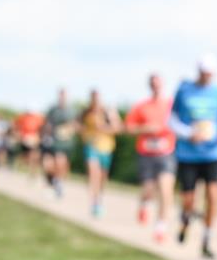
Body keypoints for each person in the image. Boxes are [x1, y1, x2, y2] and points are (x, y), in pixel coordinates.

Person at [170, 54, 217, 259]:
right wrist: (189, 133)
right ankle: (186, 219)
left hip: (213, 152)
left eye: (210, 74)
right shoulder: (184, 91)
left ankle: (207, 240)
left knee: (213, 196)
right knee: (188, 199)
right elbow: (171, 120)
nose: (207, 77)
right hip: (188, 154)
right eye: (204, 73)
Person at [125, 74, 177, 243]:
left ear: (162, 85)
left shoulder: (171, 105)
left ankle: (160, 227)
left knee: (165, 189)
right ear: (149, 86)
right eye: (153, 84)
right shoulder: (141, 107)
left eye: (158, 83)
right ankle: (144, 203)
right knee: (149, 190)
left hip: (166, 152)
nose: (156, 86)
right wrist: (146, 128)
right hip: (146, 153)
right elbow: (129, 128)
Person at [79, 89, 122, 217]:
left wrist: (103, 127)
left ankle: (99, 199)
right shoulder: (86, 112)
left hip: (106, 148)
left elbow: (118, 128)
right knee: (93, 174)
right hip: (91, 147)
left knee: (102, 178)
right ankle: (94, 202)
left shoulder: (108, 112)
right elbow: (79, 125)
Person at [42, 89, 76, 198]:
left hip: (65, 143)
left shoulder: (72, 111)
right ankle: (54, 181)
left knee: (60, 162)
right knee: (48, 165)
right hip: (52, 141)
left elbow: (75, 125)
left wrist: (70, 129)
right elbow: (47, 124)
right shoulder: (53, 110)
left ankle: (58, 182)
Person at [13, 107, 44, 178]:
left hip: (34, 140)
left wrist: (38, 137)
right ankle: (21, 165)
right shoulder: (23, 117)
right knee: (26, 156)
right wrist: (19, 135)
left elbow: (41, 129)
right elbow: (15, 125)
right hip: (25, 140)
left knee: (34, 155)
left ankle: (32, 172)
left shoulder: (38, 118)